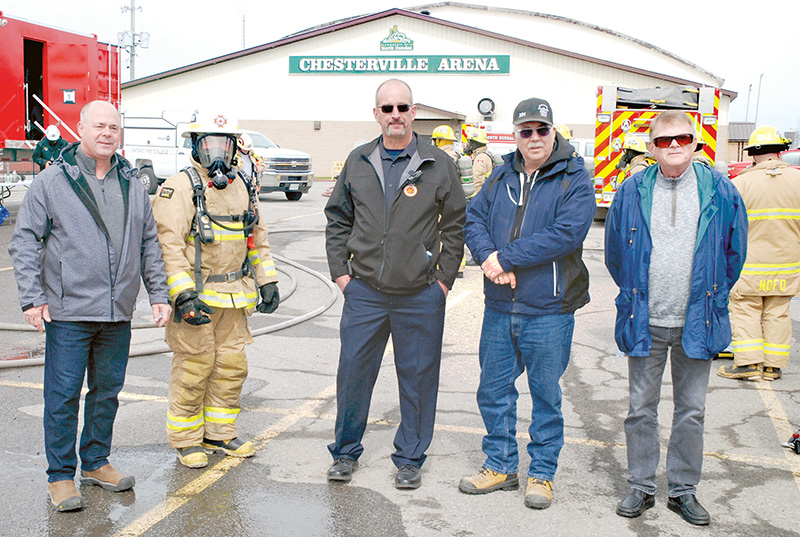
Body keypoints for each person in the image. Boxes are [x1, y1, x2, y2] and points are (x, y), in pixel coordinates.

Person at [8, 100, 171, 512]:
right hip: (68, 311)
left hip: (116, 311)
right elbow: (25, 239)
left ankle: (96, 463)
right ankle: (60, 476)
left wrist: (158, 294)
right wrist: (32, 297)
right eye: (99, 125)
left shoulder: (133, 185)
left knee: (107, 393)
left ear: (120, 134)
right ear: (80, 128)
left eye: (114, 127)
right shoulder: (53, 181)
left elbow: (149, 242)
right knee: (62, 395)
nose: (106, 133)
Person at [605, 110, 747, 526]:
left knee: (692, 410)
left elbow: (734, 252)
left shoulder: (720, 189)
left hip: (697, 320)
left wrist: (712, 295)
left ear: (695, 143)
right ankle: (642, 486)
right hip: (645, 318)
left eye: (682, 139)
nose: (673, 147)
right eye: (664, 141)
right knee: (639, 409)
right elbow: (616, 252)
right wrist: (636, 294)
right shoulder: (631, 190)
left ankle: (683, 490)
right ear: (651, 147)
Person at [324, 79, 466, 489]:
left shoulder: (438, 163)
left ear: (414, 111)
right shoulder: (358, 160)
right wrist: (342, 274)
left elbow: (456, 224)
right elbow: (337, 219)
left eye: (402, 107)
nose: (395, 115)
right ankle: (345, 453)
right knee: (352, 373)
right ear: (376, 114)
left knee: (418, 377)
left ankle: (410, 458)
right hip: (365, 292)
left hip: (421, 294)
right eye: (387, 108)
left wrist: (443, 281)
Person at [459, 97, 595, 509]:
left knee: (546, 396)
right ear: (515, 135)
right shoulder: (501, 176)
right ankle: (500, 465)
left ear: (553, 132)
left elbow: (566, 233)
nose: (534, 138)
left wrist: (507, 257)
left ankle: (541, 474)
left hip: (549, 309)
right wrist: (487, 258)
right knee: (494, 390)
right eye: (525, 131)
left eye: (541, 130)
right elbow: (473, 220)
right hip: (500, 304)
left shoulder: (574, 178)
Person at [152, 113, 280, 469]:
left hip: (235, 297)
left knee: (231, 366)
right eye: (208, 143)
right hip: (196, 298)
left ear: (234, 146)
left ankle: (220, 432)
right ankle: (187, 439)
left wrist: (267, 281)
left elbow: (258, 241)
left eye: (224, 143)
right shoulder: (178, 187)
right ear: (195, 145)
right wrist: (182, 295)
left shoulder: (241, 186)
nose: (216, 152)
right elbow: (168, 246)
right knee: (194, 367)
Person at [718, 126, 800, 381]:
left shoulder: (739, 184)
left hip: (749, 265)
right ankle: (773, 366)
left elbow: (724, 226)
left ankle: (749, 363)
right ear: (781, 152)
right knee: (778, 312)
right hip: (787, 265)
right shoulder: (798, 180)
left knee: (745, 309)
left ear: (753, 153)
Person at [465, 127, 494, 194]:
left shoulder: (480, 158)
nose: (467, 145)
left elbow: (477, 181)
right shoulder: (483, 155)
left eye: (469, 142)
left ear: (473, 143)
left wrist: (474, 197)